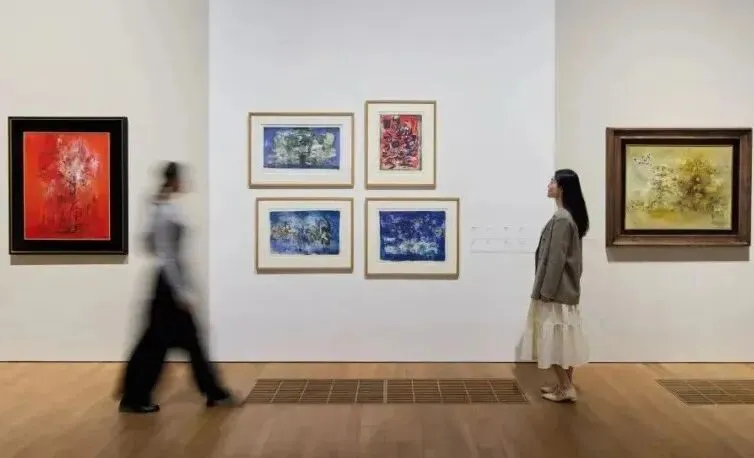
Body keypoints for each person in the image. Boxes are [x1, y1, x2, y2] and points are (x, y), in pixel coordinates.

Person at [118, 161, 237, 414]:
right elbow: (167, 256)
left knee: (170, 342)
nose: (184, 182)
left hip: (166, 284)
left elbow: (149, 245)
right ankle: (137, 396)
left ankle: (137, 395)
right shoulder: (166, 212)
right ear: (174, 180)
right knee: (164, 344)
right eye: (181, 178)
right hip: (168, 286)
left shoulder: (160, 208)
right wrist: (181, 292)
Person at [521, 168, 589, 403]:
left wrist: (546, 292)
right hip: (565, 290)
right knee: (564, 339)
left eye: (552, 181)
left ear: (562, 188)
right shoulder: (568, 217)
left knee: (554, 339)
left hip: (556, 291)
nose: (548, 185)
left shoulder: (561, 219)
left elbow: (556, 260)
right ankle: (564, 385)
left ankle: (567, 387)